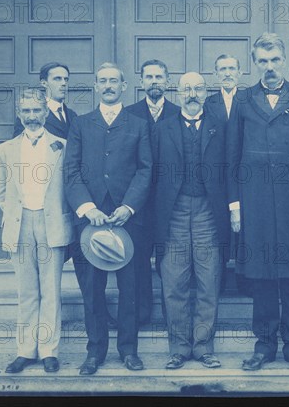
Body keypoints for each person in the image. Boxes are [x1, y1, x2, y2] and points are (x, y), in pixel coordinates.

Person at [227, 33, 289, 373]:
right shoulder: (242, 100)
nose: (269, 68)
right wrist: (235, 205)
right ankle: (264, 345)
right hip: (255, 202)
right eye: (263, 62)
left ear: (284, 60)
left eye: (275, 61)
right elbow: (232, 155)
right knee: (262, 273)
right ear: (255, 63)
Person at [64, 62, 153, 375]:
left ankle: (129, 350)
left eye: (114, 81)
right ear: (95, 86)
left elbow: (145, 169)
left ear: (125, 85)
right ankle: (95, 352)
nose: (108, 86)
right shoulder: (81, 124)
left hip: (126, 219)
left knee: (131, 288)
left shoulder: (138, 124)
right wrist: (88, 209)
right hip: (90, 220)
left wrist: (128, 206)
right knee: (92, 289)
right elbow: (71, 171)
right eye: (102, 81)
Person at [152, 72, 229, 370]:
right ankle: (179, 348)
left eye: (198, 88)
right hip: (174, 211)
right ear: (179, 92)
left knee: (209, 280)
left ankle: (204, 346)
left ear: (205, 91)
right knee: (174, 281)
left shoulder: (219, 127)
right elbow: (153, 173)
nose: (192, 93)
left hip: (209, 210)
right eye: (187, 89)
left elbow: (230, 168)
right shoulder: (162, 128)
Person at [0, 89, 73, 374]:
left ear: (45, 112)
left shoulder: (62, 146)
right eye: (25, 111)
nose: (31, 116)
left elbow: (69, 187)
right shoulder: (5, 149)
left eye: (36, 110)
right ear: (19, 113)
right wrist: (17, 213)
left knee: (51, 291)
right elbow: (1, 190)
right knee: (26, 291)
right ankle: (25, 350)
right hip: (20, 223)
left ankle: (49, 350)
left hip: (51, 223)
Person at [126, 59, 180, 325]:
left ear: (168, 81)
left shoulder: (180, 113)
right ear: (141, 82)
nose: (154, 81)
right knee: (138, 258)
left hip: (171, 200)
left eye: (160, 76)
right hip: (138, 200)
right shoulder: (129, 114)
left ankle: (173, 315)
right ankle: (141, 313)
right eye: (149, 77)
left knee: (170, 258)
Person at [13, 62, 76, 139]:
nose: (64, 83)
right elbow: (19, 145)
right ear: (44, 83)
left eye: (66, 79)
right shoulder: (30, 114)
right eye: (57, 79)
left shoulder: (72, 115)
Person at [204, 54, 243, 122]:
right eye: (223, 69)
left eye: (232, 68)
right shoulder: (207, 103)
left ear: (239, 73)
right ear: (216, 74)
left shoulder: (250, 101)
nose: (227, 74)